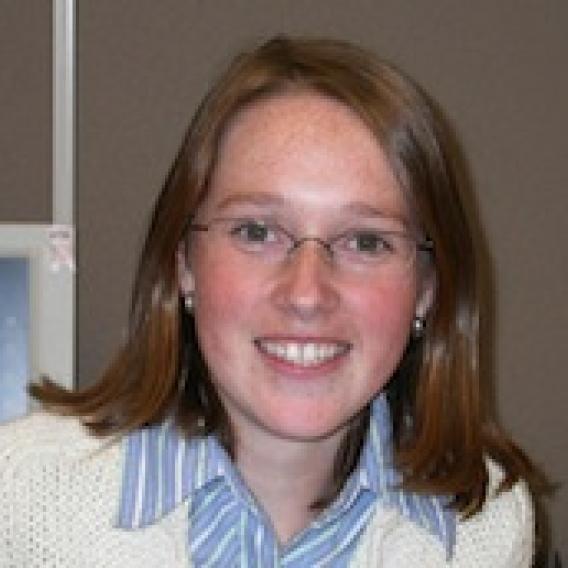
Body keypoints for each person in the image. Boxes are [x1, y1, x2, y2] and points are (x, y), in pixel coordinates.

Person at [0, 36, 544, 567]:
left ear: (427, 288)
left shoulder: (486, 530)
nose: (306, 294)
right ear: (184, 263)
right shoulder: (19, 502)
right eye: (257, 232)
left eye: (365, 241)